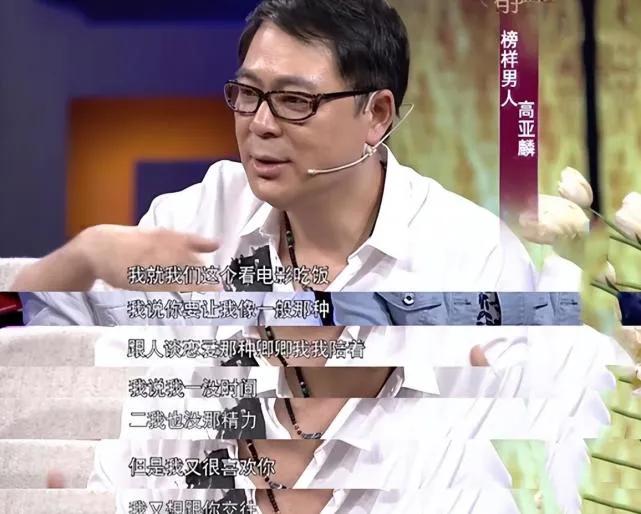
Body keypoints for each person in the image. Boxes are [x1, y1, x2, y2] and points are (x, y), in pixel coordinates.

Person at [11, 0, 535, 296]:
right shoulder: (197, 217)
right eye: (247, 94)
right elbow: (30, 347)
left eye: (294, 100)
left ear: (377, 115)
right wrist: (87, 253)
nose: (260, 124)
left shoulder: (475, 257)